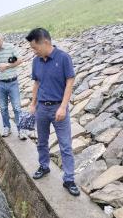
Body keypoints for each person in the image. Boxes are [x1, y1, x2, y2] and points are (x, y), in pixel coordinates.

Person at [26, 28, 80, 196]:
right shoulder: (36, 61)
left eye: (35, 47)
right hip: (42, 107)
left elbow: (70, 82)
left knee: (65, 145)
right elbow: (36, 84)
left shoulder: (63, 58)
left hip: (58, 107)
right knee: (42, 142)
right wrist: (33, 104)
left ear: (46, 43)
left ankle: (69, 179)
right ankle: (44, 166)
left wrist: (63, 106)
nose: (34, 51)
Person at [0, 31, 27, 140]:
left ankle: (21, 130)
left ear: (0, 39)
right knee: (3, 108)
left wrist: (8, 65)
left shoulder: (10, 47)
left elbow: (20, 60)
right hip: (0, 84)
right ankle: (6, 128)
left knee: (17, 108)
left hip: (13, 83)